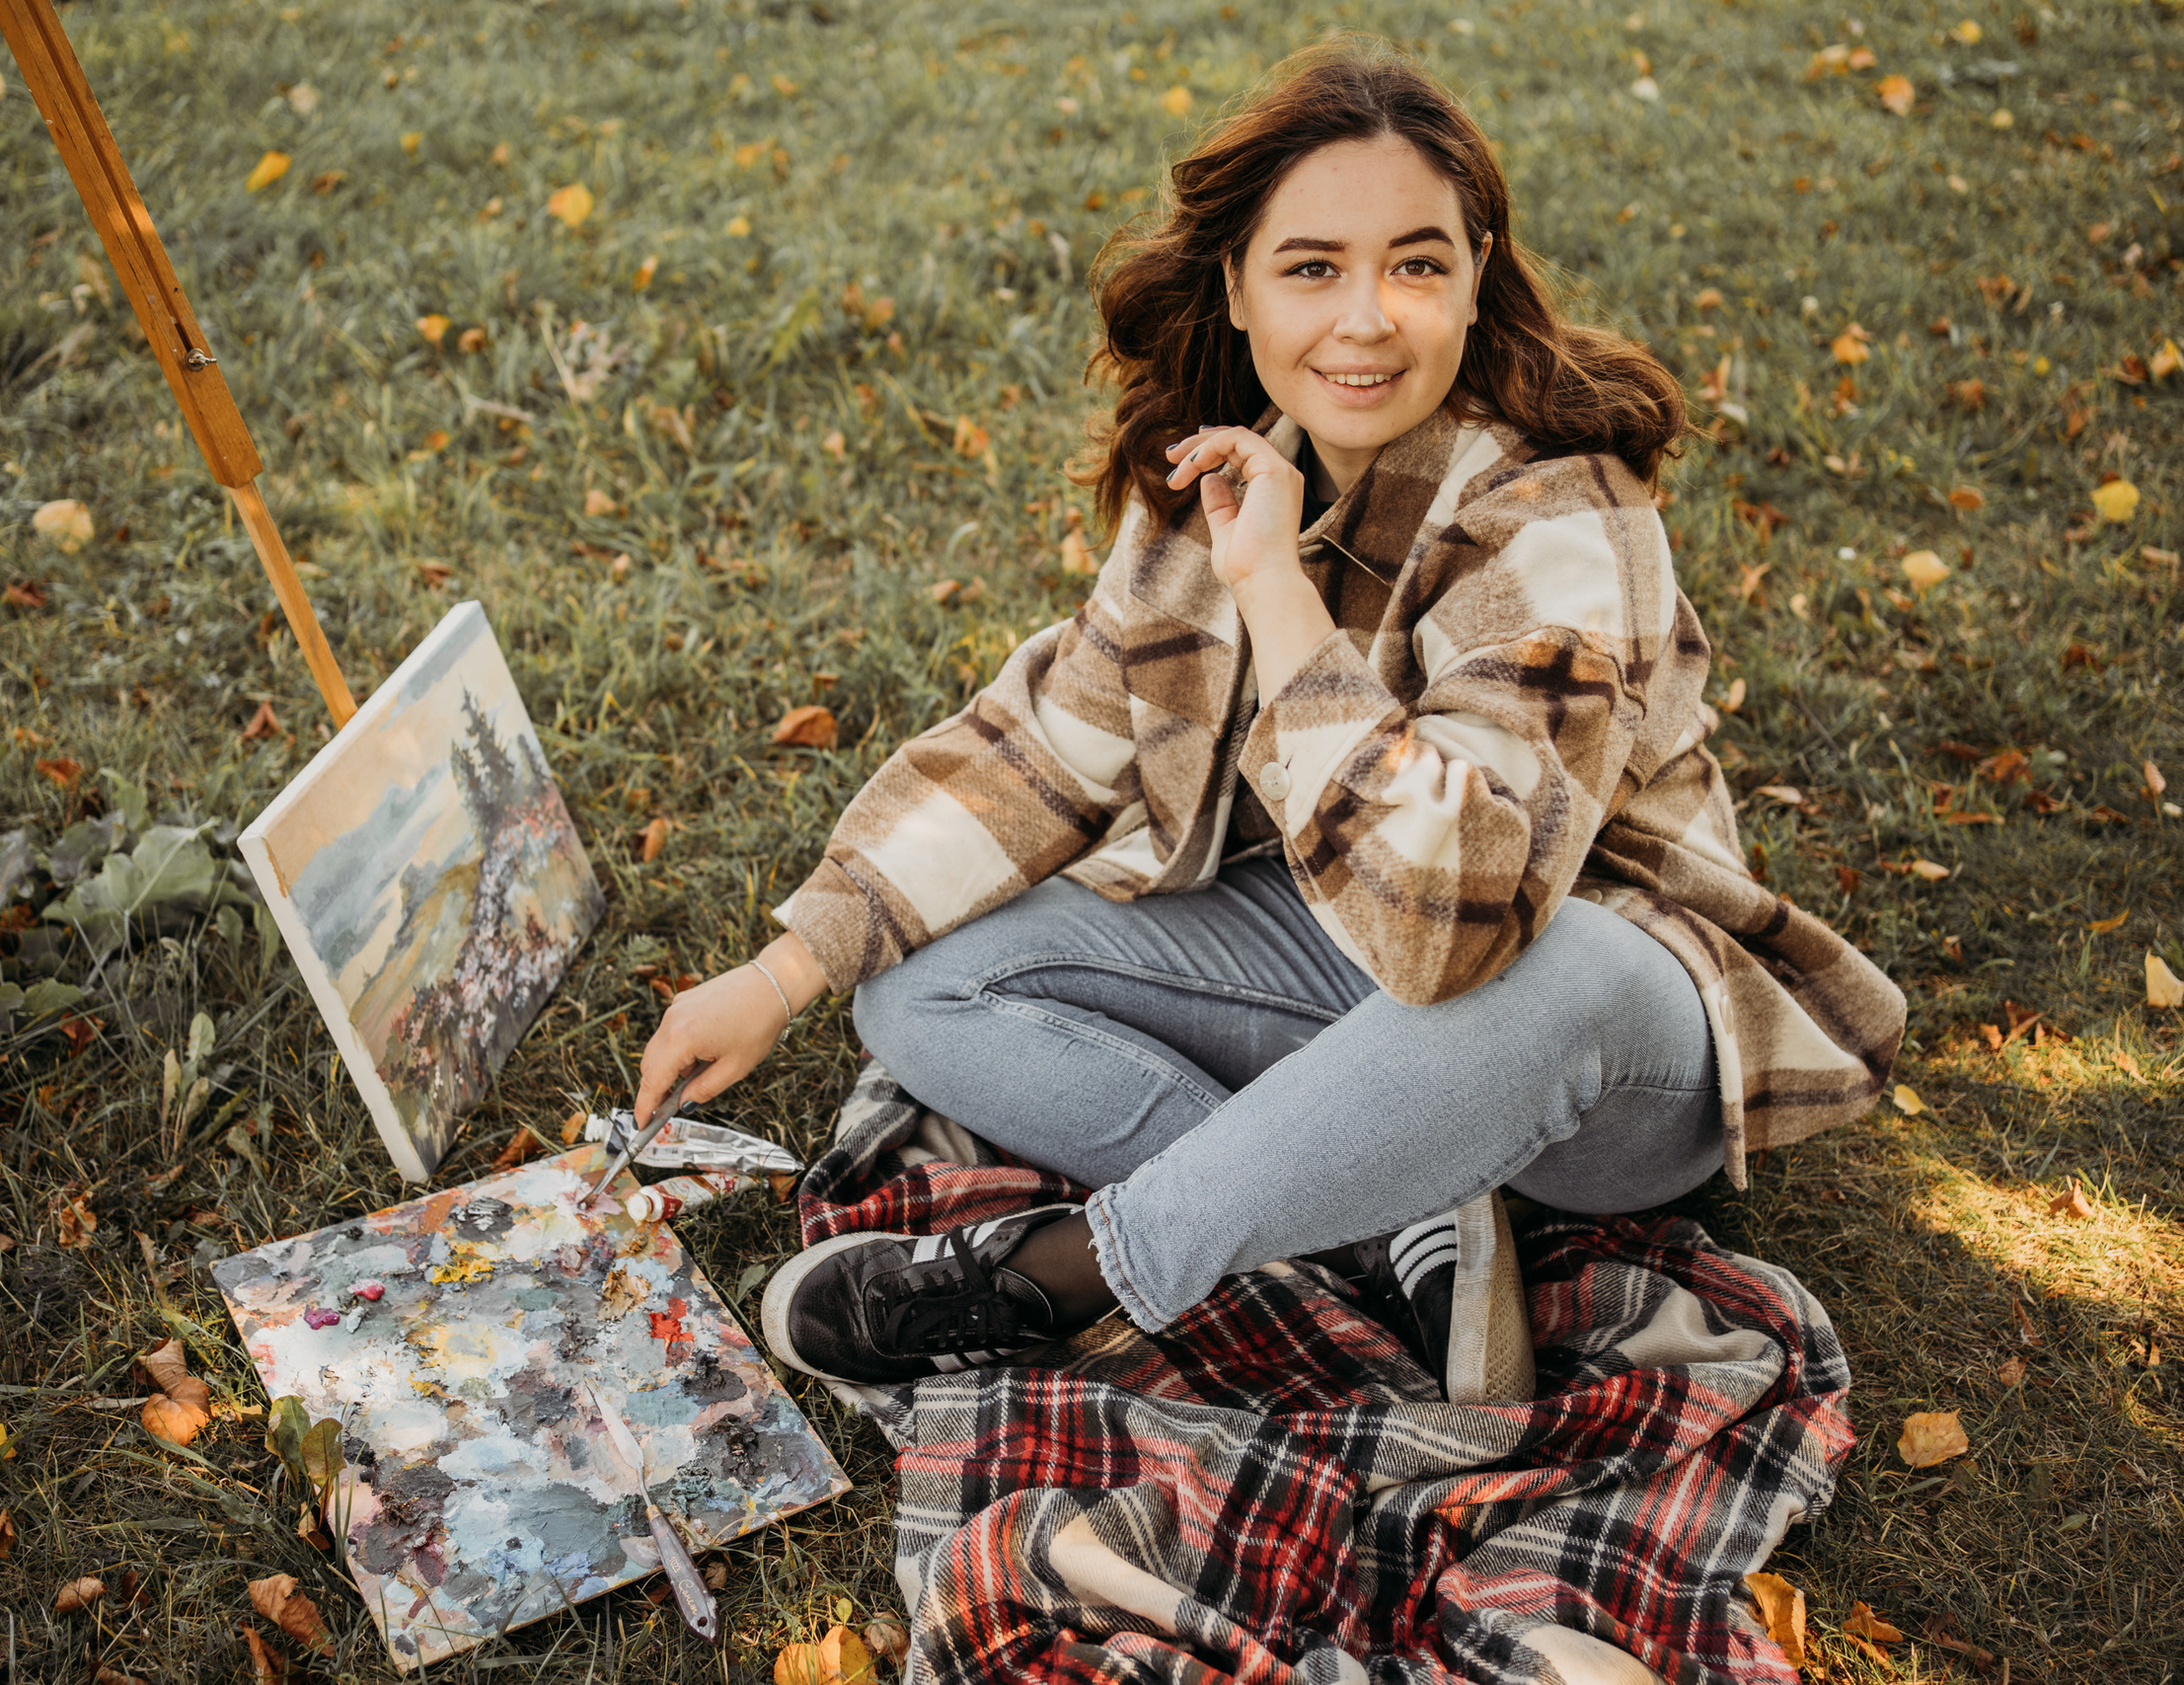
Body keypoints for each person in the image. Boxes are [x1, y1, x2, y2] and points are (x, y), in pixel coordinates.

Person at [632, 41, 1905, 1402]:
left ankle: (1076, 1273)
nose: (1365, 319)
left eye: (1417, 265)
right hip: (1347, 969)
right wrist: (779, 976)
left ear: (1477, 277)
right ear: (1237, 287)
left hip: (1595, 1041)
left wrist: (1282, 602)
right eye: (1313, 267)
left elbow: (1454, 926)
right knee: (915, 981)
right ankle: (1383, 1212)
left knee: (1559, 972)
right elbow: (1043, 756)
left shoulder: (1559, 512)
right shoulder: (1221, 481)